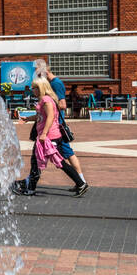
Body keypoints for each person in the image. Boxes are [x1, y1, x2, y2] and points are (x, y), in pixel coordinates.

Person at [12, 74, 86, 196]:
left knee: (47, 161)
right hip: (48, 136)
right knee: (47, 161)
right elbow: (41, 116)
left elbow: (50, 117)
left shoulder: (46, 100)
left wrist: (44, 134)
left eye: (34, 88)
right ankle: (80, 183)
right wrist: (28, 119)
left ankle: (30, 187)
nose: (32, 90)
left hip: (49, 137)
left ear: (40, 87)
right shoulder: (44, 100)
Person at [32, 57, 88, 194]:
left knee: (65, 156)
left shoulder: (56, 84)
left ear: (44, 72)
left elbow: (62, 105)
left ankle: (81, 181)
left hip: (56, 128)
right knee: (60, 157)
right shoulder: (53, 84)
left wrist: (48, 106)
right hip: (53, 127)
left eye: (38, 74)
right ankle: (80, 182)